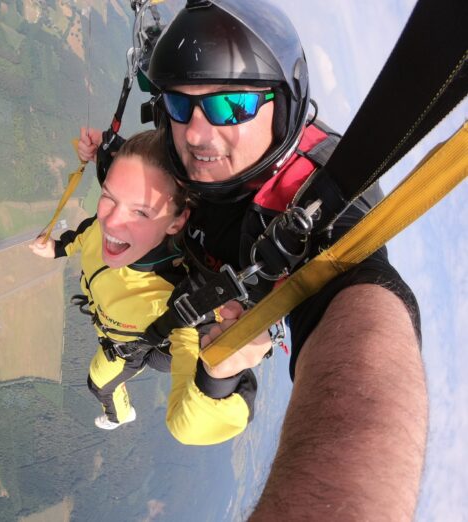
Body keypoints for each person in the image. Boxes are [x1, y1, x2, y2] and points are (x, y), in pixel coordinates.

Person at [77, 1, 425, 519]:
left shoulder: (317, 202)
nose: (197, 132)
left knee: (140, 382)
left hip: (195, 333)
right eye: (181, 105)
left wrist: (219, 375)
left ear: (282, 106)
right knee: (104, 375)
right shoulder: (186, 152)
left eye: (228, 106)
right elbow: (148, 172)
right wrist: (108, 157)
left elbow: (361, 318)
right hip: (155, 300)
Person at [31, 130, 270, 443]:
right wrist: (58, 248)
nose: (113, 222)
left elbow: (192, 424)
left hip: (130, 349)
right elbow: (85, 233)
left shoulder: (178, 299)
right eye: (108, 197)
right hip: (124, 332)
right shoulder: (99, 229)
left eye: (140, 212)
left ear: (176, 222)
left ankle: (120, 415)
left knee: (99, 385)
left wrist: (219, 379)